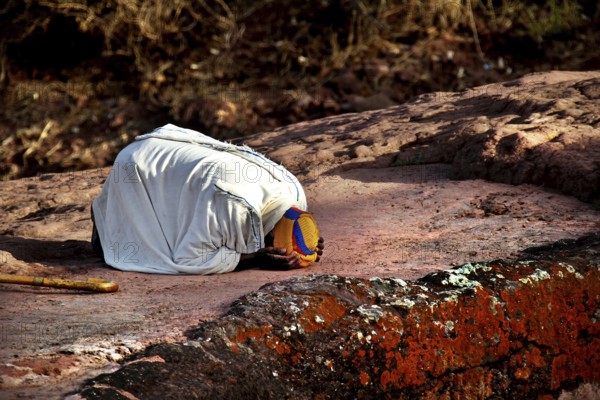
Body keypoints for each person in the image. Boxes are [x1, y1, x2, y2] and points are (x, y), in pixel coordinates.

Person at [91, 124, 324, 274]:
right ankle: (102, 225)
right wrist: (254, 258)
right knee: (121, 238)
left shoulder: (294, 195)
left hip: (187, 163)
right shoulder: (232, 207)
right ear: (270, 239)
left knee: (180, 206)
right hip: (139, 162)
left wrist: (308, 243)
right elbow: (189, 257)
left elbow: (297, 228)